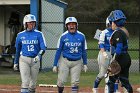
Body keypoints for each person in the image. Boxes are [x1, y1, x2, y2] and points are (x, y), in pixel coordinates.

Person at [52, 17, 88, 93]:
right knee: (61, 82)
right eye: (69, 24)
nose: (71, 26)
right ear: (66, 26)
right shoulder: (63, 36)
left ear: (76, 25)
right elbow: (58, 51)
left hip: (77, 62)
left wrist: (85, 63)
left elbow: (84, 51)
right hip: (65, 61)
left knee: (75, 83)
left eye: (73, 24)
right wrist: (55, 64)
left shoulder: (82, 36)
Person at [13, 14, 47, 93]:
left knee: (33, 85)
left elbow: (43, 48)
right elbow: (17, 50)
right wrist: (15, 62)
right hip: (24, 59)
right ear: (25, 24)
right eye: (30, 23)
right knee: (25, 82)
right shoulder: (20, 35)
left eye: (33, 23)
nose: (32, 24)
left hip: (35, 60)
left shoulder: (39, 34)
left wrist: (39, 56)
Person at [108, 10, 133, 93]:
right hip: (126, 57)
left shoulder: (117, 33)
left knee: (111, 79)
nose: (111, 24)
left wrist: (114, 59)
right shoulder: (122, 32)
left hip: (120, 58)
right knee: (124, 80)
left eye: (111, 22)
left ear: (115, 23)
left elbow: (119, 47)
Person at [92, 17, 114, 93]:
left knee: (112, 73)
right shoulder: (104, 32)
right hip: (104, 53)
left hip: (113, 54)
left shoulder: (116, 32)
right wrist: (104, 52)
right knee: (102, 73)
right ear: (108, 23)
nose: (113, 24)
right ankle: (95, 87)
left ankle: (109, 89)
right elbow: (101, 44)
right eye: (112, 23)